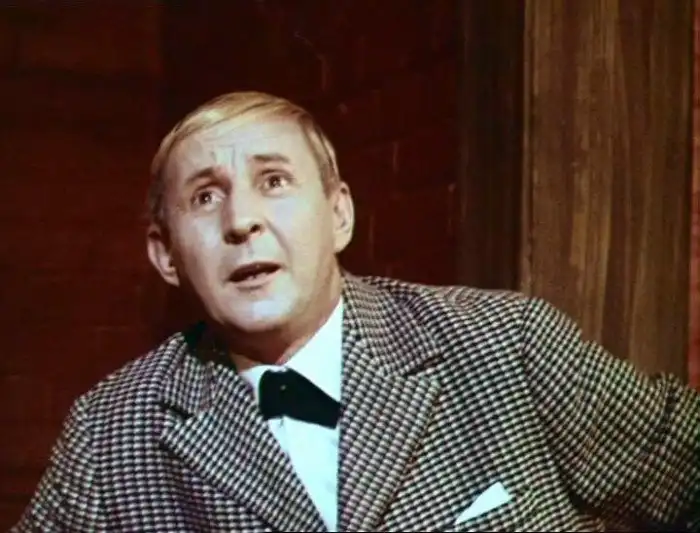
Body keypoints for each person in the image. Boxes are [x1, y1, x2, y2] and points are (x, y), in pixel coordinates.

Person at [13, 91, 700, 533]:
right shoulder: (110, 435)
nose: (242, 220)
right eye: (204, 197)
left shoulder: (504, 344)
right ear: (166, 255)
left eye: (274, 181)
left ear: (338, 214)